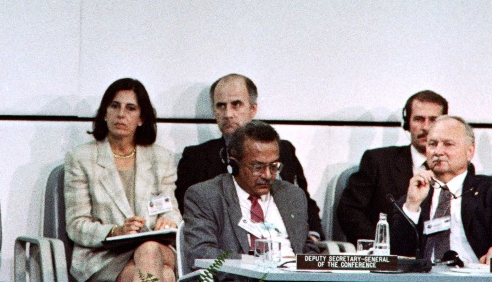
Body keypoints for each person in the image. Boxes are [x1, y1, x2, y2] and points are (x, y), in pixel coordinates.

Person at [175, 74, 324, 241]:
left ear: (253, 109)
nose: (228, 114)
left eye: (236, 105)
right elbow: (191, 214)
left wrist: (311, 238)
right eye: (221, 106)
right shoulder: (196, 158)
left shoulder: (283, 150)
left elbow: (303, 201)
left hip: (284, 247)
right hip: (230, 249)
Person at [64, 78, 181, 282]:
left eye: (130, 108)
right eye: (115, 106)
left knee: (148, 250)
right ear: (105, 113)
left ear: (141, 118)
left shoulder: (161, 159)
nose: (121, 114)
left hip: (155, 248)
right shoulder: (81, 158)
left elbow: (172, 210)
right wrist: (116, 230)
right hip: (104, 257)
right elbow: (76, 225)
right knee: (166, 276)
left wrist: (168, 221)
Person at [390, 116, 492, 264]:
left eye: (448, 144)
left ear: (470, 151)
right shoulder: (414, 195)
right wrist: (412, 206)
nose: (438, 151)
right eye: (432, 144)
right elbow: (397, 255)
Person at [183, 121, 320, 261]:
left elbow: (304, 246)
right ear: (234, 165)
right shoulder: (206, 196)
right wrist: (256, 266)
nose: (267, 175)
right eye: (258, 167)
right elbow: (202, 253)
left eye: (273, 166)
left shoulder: (292, 195)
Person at [336, 90, 449, 242]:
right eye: (419, 119)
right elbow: (349, 211)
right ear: (407, 124)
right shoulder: (377, 161)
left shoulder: (458, 166)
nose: (426, 127)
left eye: (433, 120)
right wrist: (380, 247)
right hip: (392, 253)